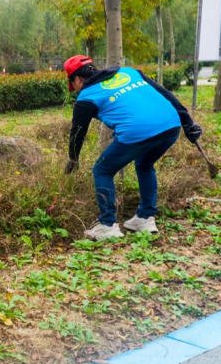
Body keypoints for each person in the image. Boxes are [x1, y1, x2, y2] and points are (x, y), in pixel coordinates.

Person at [64, 56, 203, 241]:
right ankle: (145, 218)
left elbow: (77, 133)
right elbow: (167, 95)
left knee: (102, 170)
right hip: (171, 125)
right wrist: (188, 123)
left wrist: (73, 159)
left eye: (74, 85)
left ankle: (108, 225)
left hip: (138, 131)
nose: (76, 90)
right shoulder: (128, 72)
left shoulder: (86, 97)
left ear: (77, 79)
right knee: (145, 164)